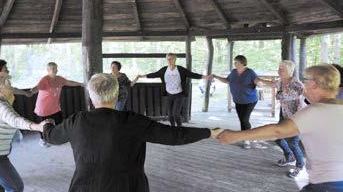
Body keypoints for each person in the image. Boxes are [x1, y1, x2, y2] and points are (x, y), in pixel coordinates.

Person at [43, 73, 223, 192]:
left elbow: (52, 137)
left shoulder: (77, 121)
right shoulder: (133, 121)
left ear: (91, 96)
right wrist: (209, 133)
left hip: (85, 187)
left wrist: (46, 125)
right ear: (116, 94)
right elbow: (175, 135)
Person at [218, 64, 343, 192]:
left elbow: (278, 131)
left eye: (306, 80)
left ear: (314, 84)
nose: (303, 84)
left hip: (328, 184)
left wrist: (235, 136)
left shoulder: (317, 111)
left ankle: (297, 163)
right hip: (329, 182)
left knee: (292, 143)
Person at [0, 72, 50, 192]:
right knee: (15, 187)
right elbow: (16, 120)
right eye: (9, 84)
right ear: (1, 89)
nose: (11, 87)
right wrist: (38, 126)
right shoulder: (0, 106)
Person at [257, 60, 305, 178]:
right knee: (278, 137)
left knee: (293, 143)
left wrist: (279, 93)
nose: (279, 70)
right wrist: (260, 80)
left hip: (297, 118)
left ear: (289, 70)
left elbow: (283, 96)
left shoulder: (297, 84)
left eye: (282, 68)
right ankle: (289, 156)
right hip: (284, 115)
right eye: (279, 68)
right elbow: (273, 83)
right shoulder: (281, 81)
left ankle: (300, 166)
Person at [138, 53, 211, 127]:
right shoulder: (164, 70)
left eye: (171, 59)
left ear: (175, 59)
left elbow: (192, 74)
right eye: (168, 59)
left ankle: (180, 128)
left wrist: (205, 77)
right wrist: (141, 76)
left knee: (175, 114)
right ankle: (173, 128)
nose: (169, 60)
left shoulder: (180, 69)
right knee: (170, 115)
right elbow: (153, 74)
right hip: (169, 95)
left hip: (179, 94)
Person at [30, 62, 84, 147]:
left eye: (56, 68)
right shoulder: (45, 79)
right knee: (42, 125)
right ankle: (42, 139)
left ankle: (58, 137)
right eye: (53, 69)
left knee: (59, 122)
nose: (55, 70)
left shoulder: (59, 79)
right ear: (48, 70)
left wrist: (80, 83)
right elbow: (36, 88)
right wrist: (31, 91)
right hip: (43, 108)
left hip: (55, 107)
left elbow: (69, 82)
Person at [211, 55, 259, 149]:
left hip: (250, 100)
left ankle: (247, 139)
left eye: (236, 62)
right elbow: (227, 81)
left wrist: (261, 82)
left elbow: (257, 81)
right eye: (234, 62)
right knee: (242, 120)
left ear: (242, 63)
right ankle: (247, 135)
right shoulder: (233, 72)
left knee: (244, 119)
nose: (234, 64)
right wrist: (216, 76)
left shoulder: (250, 72)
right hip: (238, 100)